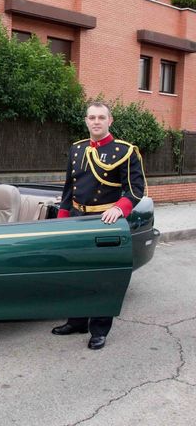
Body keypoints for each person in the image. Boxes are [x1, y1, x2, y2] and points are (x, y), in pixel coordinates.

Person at [52, 101, 146, 350]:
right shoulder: (76, 149)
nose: (96, 122)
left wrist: (119, 209)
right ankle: (77, 321)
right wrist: (63, 218)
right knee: (75, 273)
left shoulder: (125, 151)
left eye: (101, 118)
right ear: (86, 121)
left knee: (103, 276)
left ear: (109, 121)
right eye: (92, 117)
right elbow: (68, 188)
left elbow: (136, 189)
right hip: (76, 218)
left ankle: (99, 329)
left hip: (105, 221)